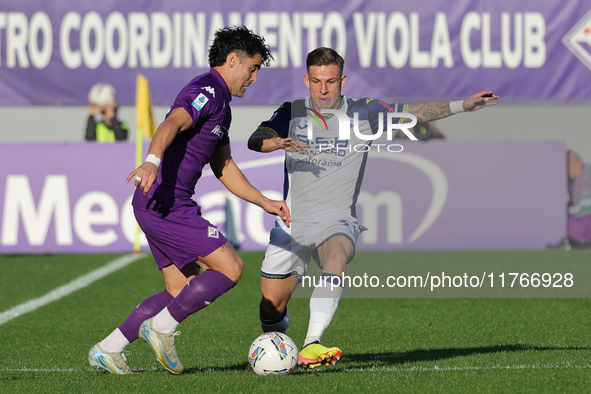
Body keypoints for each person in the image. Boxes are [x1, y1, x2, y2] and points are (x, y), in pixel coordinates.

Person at [247, 47, 498, 369]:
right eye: (317, 81)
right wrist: (274, 142)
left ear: (343, 80)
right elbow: (259, 137)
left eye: (331, 81)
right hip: (292, 222)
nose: (324, 89)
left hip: (336, 220)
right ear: (306, 80)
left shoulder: (364, 111)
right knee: (271, 307)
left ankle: (311, 343)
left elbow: (414, 111)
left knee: (336, 258)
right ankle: (278, 341)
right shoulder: (292, 112)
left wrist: (463, 105)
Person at [88, 25, 289, 375]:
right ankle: (162, 327)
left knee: (179, 289)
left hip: (156, 203)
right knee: (231, 268)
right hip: (166, 203)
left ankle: (109, 349)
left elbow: (223, 166)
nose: (254, 78)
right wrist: (152, 161)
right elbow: (171, 123)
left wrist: (264, 201)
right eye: (253, 68)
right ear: (232, 60)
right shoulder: (207, 90)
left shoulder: (222, 107)